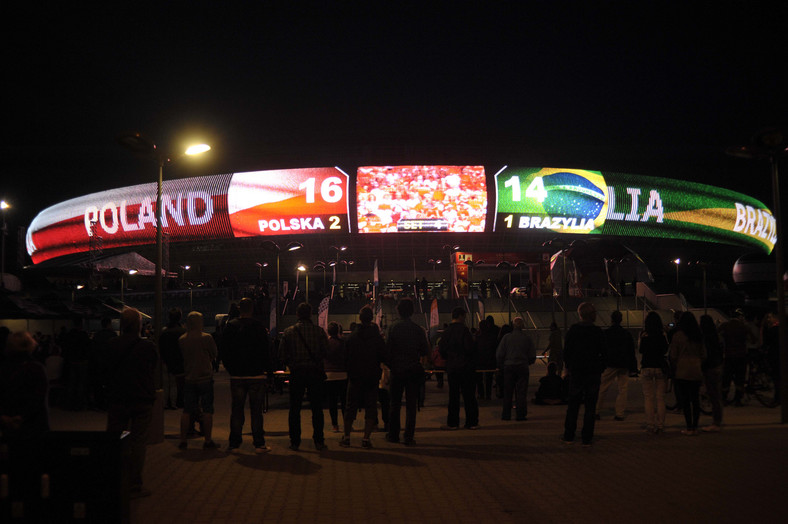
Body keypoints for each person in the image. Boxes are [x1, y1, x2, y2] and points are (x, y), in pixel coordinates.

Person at [105, 308, 158, 498]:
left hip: (118, 398)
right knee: (138, 441)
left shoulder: (111, 345)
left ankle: (114, 480)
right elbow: (152, 369)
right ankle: (135, 483)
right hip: (141, 399)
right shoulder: (148, 347)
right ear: (139, 325)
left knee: (115, 439)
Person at [219, 297, 272, 453]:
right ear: (252, 309)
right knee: (256, 412)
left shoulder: (231, 327)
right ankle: (259, 443)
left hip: (237, 375)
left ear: (239, 309)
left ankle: (234, 443)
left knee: (237, 410)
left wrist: (231, 369)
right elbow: (265, 351)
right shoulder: (259, 327)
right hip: (256, 375)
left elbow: (225, 351)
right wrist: (268, 372)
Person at [280, 302, 329, 451]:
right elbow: (326, 352)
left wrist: (291, 363)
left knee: (295, 409)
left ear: (297, 314)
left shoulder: (288, 332)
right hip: (315, 373)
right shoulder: (319, 332)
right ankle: (319, 441)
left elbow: (281, 355)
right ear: (311, 314)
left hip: (297, 373)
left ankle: (295, 442)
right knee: (316, 408)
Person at [385, 298, 430, 445]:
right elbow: (424, 350)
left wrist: (391, 365)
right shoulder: (418, 329)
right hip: (412, 370)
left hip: (397, 370)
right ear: (412, 311)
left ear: (398, 311)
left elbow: (387, 351)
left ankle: (393, 435)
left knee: (395, 404)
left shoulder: (392, 328)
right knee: (411, 405)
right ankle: (408, 436)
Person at [340, 306, 385, 448]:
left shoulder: (351, 337)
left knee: (350, 407)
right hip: (372, 377)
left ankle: (347, 437)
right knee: (371, 408)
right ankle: (366, 438)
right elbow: (383, 356)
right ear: (371, 318)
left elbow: (345, 358)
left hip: (355, 376)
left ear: (360, 318)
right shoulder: (377, 338)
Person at [562, 302, 605, 446]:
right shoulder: (597, 332)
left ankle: (569, 435)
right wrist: (600, 367)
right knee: (590, 406)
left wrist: (569, 367)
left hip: (577, 371)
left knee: (573, 405)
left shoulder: (573, 331)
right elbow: (604, 353)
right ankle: (587, 436)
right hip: (593, 372)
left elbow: (566, 351)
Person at [178, 311, 220, 450]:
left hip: (189, 378)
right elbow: (214, 353)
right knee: (207, 410)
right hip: (205, 378)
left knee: (187, 410)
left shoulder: (182, 339)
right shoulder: (206, 338)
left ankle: (183, 439)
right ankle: (207, 440)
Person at [0, 331, 49, 437]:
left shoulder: (4, 368)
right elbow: (39, 397)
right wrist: (22, 417)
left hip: (8, 419)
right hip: (34, 422)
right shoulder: (36, 368)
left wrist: (4, 416)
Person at [438, 307, 479, 430]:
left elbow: (442, 350)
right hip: (466, 367)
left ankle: (453, 423)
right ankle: (471, 422)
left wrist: (450, 358)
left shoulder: (447, 331)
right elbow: (470, 348)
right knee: (469, 396)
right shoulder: (465, 331)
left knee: (453, 396)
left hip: (452, 367)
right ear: (461, 316)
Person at [669, 312, 707, 436]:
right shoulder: (698, 335)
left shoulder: (678, 336)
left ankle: (689, 427)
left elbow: (673, 355)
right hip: (696, 369)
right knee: (695, 399)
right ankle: (695, 426)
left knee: (685, 400)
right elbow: (704, 355)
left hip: (682, 370)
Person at [596, 310, 637, 421]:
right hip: (624, 364)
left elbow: (601, 349)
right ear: (621, 320)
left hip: (610, 363)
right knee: (623, 389)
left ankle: (596, 411)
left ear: (611, 319)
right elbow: (631, 351)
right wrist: (633, 368)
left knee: (603, 388)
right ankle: (620, 413)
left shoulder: (606, 333)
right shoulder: (626, 334)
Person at [496, 317, 536, 421]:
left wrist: (501, 364)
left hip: (509, 366)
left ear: (513, 325)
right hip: (522, 366)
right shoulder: (527, 338)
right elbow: (532, 355)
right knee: (521, 392)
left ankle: (506, 414)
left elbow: (500, 354)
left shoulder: (506, 337)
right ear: (522, 326)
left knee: (508, 392)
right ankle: (521, 414)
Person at [639, 311, 669, 434]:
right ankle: (661, 425)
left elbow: (641, 350)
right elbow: (666, 349)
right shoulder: (662, 334)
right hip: (660, 366)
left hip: (647, 366)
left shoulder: (643, 334)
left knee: (648, 398)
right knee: (660, 398)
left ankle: (650, 424)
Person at [718, 309, 752, 406]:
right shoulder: (744, 327)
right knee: (740, 378)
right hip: (741, 356)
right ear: (740, 317)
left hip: (729, 355)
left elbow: (717, 334)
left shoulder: (725, 325)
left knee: (726, 378)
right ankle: (738, 399)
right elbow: (753, 339)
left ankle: (724, 397)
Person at [700, 314, 724, 432]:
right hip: (718, 365)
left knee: (713, 395)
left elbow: (705, 355)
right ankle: (718, 419)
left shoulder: (705, 338)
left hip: (710, 367)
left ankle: (716, 422)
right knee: (717, 395)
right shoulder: (716, 336)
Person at [159, 308, 186, 410]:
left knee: (166, 384)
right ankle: (174, 403)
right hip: (179, 362)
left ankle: (165, 403)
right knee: (175, 384)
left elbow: (161, 347)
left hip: (166, 361)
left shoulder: (164, 332)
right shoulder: (183, 331)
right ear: (180, 317)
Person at [324, 321, 347, 433]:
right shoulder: (343, 343)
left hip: (329, 375)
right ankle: (347, 424)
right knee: (344, 402)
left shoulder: (325, 343)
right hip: (343, 374)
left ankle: (335, 425)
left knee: (332, 403)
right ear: (338, 331)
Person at [90, 316, 117, 411]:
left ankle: (100, 403)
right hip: (110, 364)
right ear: (109, 324)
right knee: (110, 384)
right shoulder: (113, 335)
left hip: (98, 363)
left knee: (99, 385)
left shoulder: (97, 335)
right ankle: (108, 403)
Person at [475, 319, 498, 400]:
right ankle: (488, 394)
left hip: (479, 361)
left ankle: (481, 394)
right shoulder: (492, 337)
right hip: (490, 361)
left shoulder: (477, 337)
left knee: (479, 379)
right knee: (489, 379)